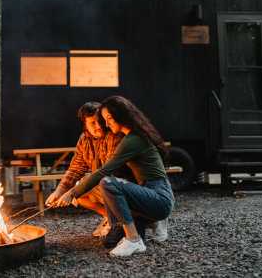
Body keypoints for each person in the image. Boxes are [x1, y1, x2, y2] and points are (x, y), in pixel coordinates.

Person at [54, 96, 175, 257]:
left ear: (121, 116)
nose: (106, 123)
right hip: (146, 193)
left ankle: (134, 239)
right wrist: (62, 190)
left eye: (108, 118)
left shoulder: (131, 140)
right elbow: (77, 168)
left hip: (159, 197)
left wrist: (72, 193)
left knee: (107, 182)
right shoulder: (129, 137)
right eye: (104, 119)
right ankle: (130, 228)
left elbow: (104, 172)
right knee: (109, 241)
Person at [45, 101, 122, 237]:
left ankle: (145, 221)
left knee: (79, 188)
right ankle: (111, 219)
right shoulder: (84, 139)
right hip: (102, 183)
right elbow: (75, 169)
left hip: (121, 184)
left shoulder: (114, 135)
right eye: (92, 123)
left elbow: (108, 171)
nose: (98, 126)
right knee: (78, 193)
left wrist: (73, 191)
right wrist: (59, 192)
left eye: (99, 121)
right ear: (85, 125)